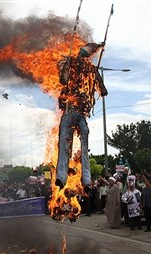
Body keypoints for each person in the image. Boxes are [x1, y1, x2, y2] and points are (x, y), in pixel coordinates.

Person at [55, 42, 108, 190]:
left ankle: (64, 177)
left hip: (71, 113)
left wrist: (98, 46)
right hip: (78, 114)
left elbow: (63, 79)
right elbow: (102, 87)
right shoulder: (88, 68)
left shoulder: (72, 63)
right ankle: (84, 180)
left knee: (66, 146)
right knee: (82, 147)